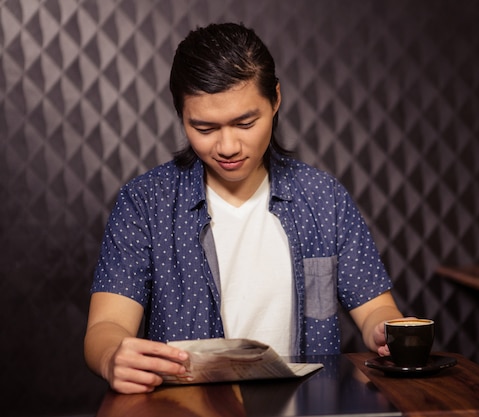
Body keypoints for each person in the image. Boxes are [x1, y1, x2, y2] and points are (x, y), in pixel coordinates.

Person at [84, 22, 406, 394]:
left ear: (276, 100)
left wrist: (386, 329)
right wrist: (112, 357)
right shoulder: (145, 202)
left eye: (245, 122)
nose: (227, 146)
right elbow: (105, 327)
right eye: (204, 128)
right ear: (181, 115)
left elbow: (377, 311)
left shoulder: (323, 197)